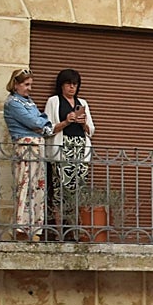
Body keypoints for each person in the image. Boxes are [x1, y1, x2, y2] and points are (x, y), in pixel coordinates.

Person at [3, 68, 70, 239]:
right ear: (16, 85)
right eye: (26, 85)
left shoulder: (29, 102)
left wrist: (43, 123)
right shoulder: (13, 103)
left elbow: (44, 118)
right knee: (25, 186)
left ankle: (35, 229)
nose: (29, 88)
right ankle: (22, 228)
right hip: (26, 147)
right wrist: (42, 124)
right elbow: (35, 122)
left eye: (31, 85)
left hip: (37, 148)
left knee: (37, 188)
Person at [44, 68, 95, 234]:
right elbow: (48, 128)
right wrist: (66, 122)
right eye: (68, 84)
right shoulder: (53, 101)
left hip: (80, 148)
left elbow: (91, 130)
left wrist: (82, 123)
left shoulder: (83, 103)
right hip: (62, 148)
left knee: (78, 189)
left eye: (75, 84)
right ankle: (59, 230)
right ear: (61, 85)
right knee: (59, 188)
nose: (72, 87)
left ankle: (76, 230)